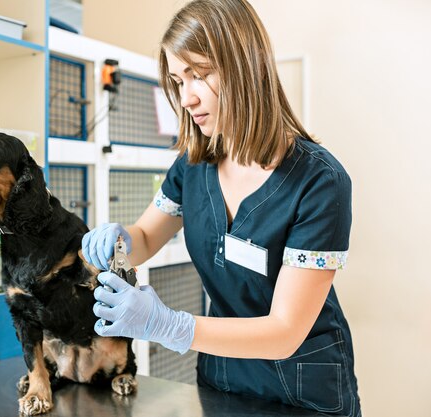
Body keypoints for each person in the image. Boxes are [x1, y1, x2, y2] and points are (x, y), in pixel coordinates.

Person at [81, 0, 361, 415]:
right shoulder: (193, 166)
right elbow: (143, 238)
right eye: (178, 80)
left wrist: (168, 325)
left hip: (303, 389)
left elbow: (286, 331)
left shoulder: (319, 182)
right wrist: (119, 239)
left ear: (245, 65)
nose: (187, 98)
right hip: (223, 379)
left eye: (199, 74)